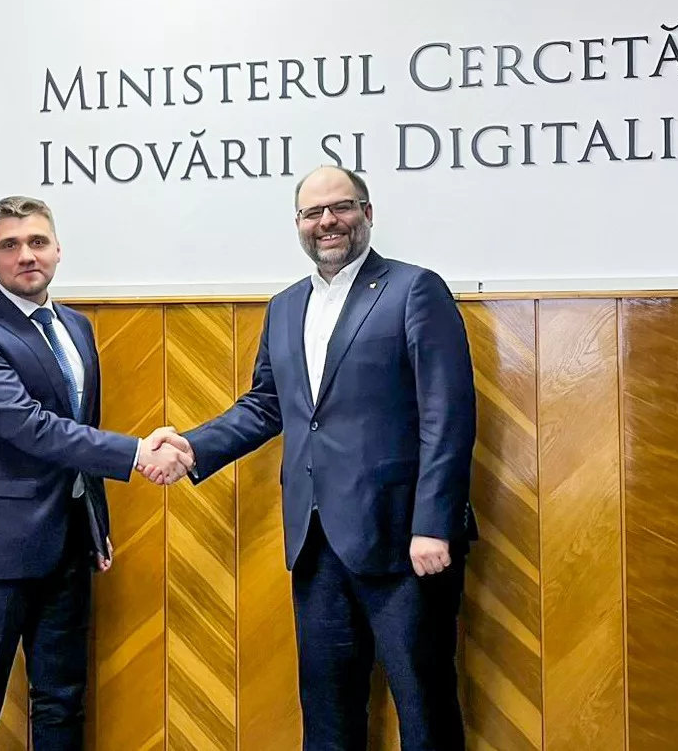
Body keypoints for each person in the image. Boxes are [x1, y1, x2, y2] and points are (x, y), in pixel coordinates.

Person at [145, 166, 478, 751]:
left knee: (424, 709)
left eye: (341, 207)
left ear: (367, 214)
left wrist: (433, 524)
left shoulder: (414, 290)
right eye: (313, 212)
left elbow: (446, 416)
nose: (327, 221)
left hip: (404, 543)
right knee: (326, 715)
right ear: (298, 223)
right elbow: (266, 404)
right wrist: (194, 446)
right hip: (315, 542)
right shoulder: (284, 306)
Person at [0, 195, 191, 751]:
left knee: (62, 700)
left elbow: (79, 429)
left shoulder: (75, 326)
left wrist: (94, 523)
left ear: (57, 250)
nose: (26, 255)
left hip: (67, 545)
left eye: (37, 242)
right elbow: (31, 428)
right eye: (10, 245)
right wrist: (137, 453)